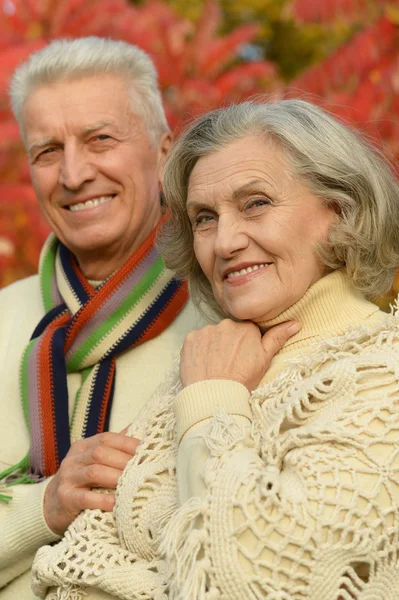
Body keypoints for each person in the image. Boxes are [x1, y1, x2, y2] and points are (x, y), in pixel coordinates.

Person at [32, 99, 399, 600]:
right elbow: (71, 561)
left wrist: (213, 402)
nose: (224, 242)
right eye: (205, 218)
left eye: (256, 203)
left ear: (339, 210)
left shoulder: (382, 372)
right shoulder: (211, 357)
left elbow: (254, 579)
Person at [0, 37, 207, 600]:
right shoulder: (3, 319)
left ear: (164, 151)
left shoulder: (225, 313)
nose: (73, 174)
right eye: (47, 151)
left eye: (100, 140)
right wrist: (44, 507)